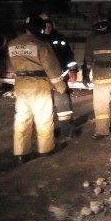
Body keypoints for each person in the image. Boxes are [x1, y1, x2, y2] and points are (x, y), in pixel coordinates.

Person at [8, 15, 67, 164]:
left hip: (21, 84)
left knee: (22, 118)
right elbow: (51, 68)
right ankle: (45, 149)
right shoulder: (41, 44)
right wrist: (60, 86)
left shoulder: (12, 44)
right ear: (38, 29)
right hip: (38, 84)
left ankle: (21, 153)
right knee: (43, 117)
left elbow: (13, 65)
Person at [39, 12, 77, 142]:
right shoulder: (37, 40)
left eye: (49, 25)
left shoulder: (60, 38)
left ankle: (67, 132)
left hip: (60, 78)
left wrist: (73, 70)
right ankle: (47, 133)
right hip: (43, 80)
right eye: (45, 25)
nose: (48, 27)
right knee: (44, 108)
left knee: (64, 107)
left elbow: (69, 56)